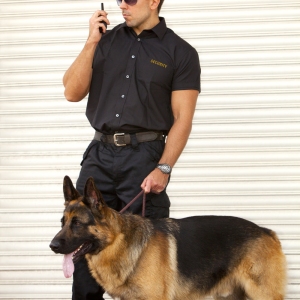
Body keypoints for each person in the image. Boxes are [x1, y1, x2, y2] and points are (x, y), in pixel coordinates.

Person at [62, 0, 201, 298]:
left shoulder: (180, 52)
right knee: (85, 245)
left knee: (146, 260)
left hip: (144, 158)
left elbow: (183, 119)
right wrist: (91, 41)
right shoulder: (104, 42)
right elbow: (72, 92)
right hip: (98, 157)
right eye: (119, 0)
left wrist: (164, 167)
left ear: (153, 2)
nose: (122, 5)